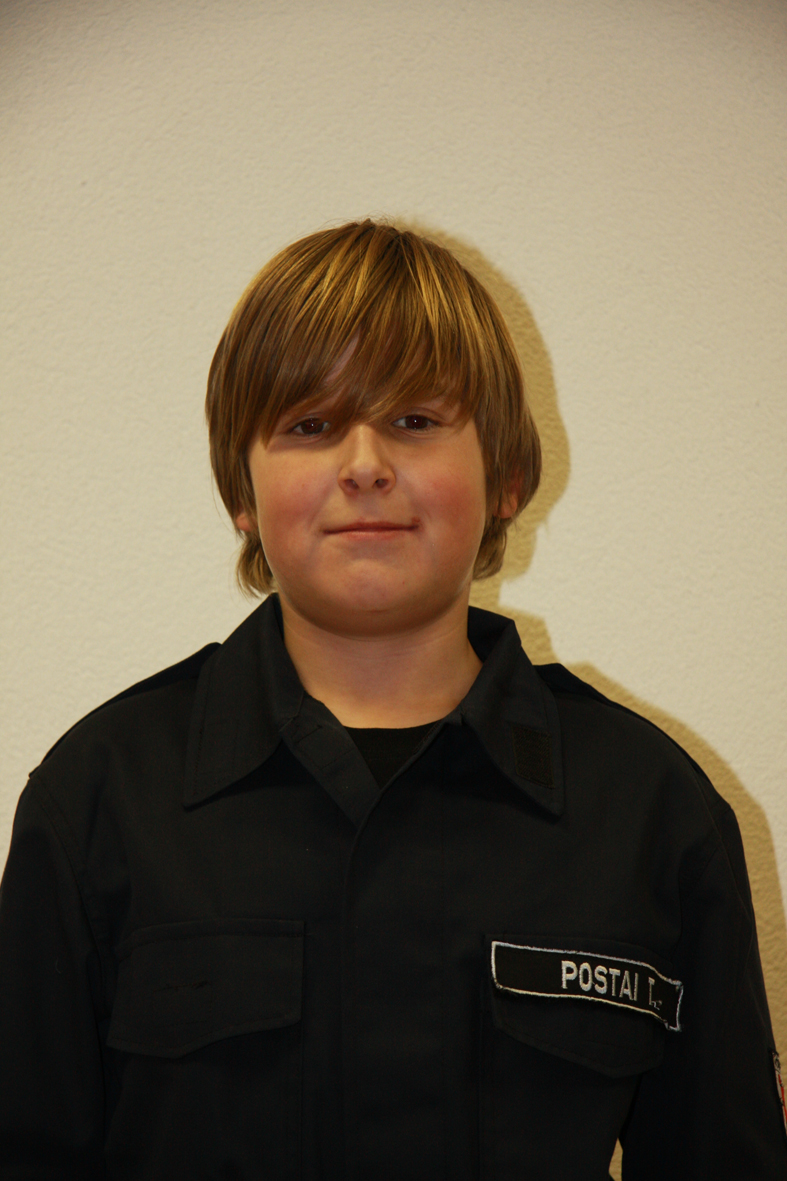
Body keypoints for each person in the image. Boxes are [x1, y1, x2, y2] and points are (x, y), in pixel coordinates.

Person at [0, 220, 784, 1179]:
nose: (364, 462)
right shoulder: (99, 798)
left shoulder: (650, 809)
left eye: (414, 419)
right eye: (309, 424)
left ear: (506, 477)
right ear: (240, 491)